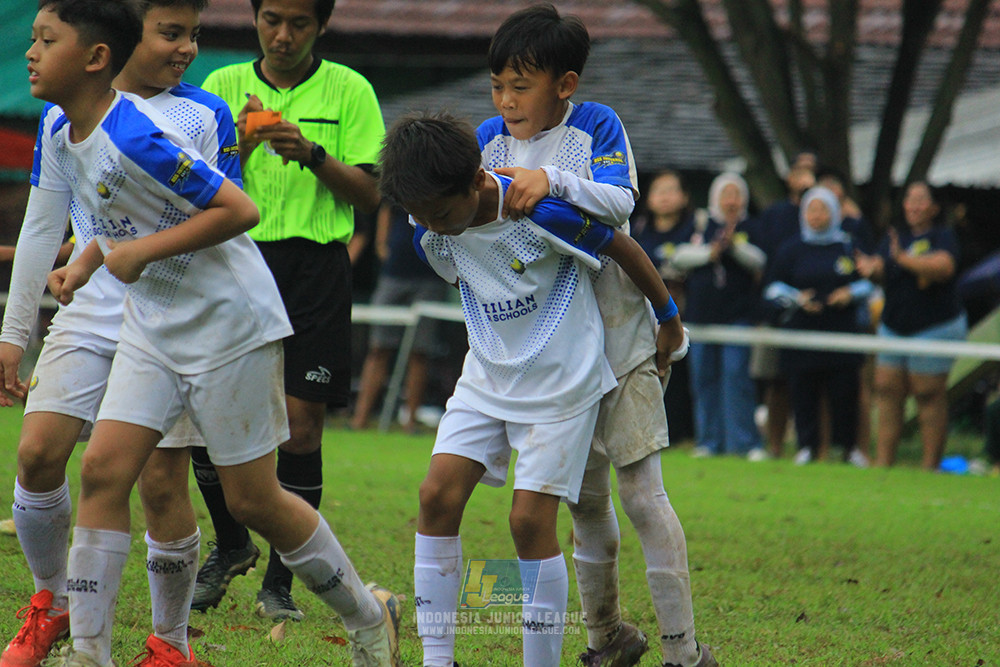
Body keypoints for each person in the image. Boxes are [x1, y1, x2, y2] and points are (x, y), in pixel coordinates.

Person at [20, 3, 400, 666]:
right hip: (154, 322)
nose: (30, 53)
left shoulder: (136, 133)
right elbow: (118, 213)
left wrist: (138, 255)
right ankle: (89, 652)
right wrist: (84, 262)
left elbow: (239, 208)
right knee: (104, 471)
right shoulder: (69, 128)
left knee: (255, 499)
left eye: (46, 40)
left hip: (228, 323)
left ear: (95, 57)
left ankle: (368, 616)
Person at [383, 109, 685, 667]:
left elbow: (622, 247)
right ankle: (437, 661)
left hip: (562, 384)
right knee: (435, 496)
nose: (433, 225)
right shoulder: (429, 215)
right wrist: (432, 218)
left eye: (442, 213)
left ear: (476, 180)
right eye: (420, 216)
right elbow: (444, 239)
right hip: (486, 374)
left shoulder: (541, 213)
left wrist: (667, 317)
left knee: (528, 521)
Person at [0, 1, 239, 664]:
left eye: (194, 33)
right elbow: (42, 228)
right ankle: (53, 603)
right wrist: (12, 335)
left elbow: (225, 219)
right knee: (38, 453)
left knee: (161, 479)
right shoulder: (62, 115)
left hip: (170, 314)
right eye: (171, 32)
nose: (187, 47)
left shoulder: (203, 114)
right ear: (118, 41)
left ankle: (171, 642)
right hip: (91, 306)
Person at [476, 7, 715, 667]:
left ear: (566, 83)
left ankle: (683, 651)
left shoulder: (597, 126)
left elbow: (619, 204)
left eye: (520, 85)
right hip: (550, 351)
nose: (505, 100)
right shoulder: (488, 141)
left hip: (618, 333)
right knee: (582, 496)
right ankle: (605, 636)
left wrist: (548, 180)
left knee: (640, 491)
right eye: (497, 84)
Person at [189, 0, 385, 621]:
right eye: (272, 18)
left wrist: (312, 154)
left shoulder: (351, 89)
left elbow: (376, 192)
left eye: (299, 22)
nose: (283, 34)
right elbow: (187, 184)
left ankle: (281, 582)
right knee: (203, 418)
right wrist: (239, 148)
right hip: (231, 258)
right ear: (253, 18)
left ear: (321, 25)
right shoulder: (219, 87)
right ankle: (230, 544)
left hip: (315, 268)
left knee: (301, 428)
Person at [856, 181, 967, 471]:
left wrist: (904, 259)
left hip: (935, 324)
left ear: (933, 208)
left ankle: (929, 467)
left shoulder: (943, 236)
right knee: (886, 389)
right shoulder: (894, 236)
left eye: (921, 200)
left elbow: (944, 267)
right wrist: (872, 270)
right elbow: (883, 271)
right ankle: (883, 464)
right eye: (909, 199)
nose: (914, 206)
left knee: (927, 391)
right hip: (894, 324)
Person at [763, 187, 874, 464]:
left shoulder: (848, 245)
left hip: (841, 332)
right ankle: (807, 447)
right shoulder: (791, 248)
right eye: (811, 209)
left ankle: (849, 448)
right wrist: (797, 299)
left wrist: (849, 294)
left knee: (845, 393)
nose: (816, 215)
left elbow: (870, 282)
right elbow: (772, 287)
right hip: (802, 333)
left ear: (834, 212)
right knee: (803, 392)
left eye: (823, 209)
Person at [673, 172, 766, 459]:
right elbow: (677, 255)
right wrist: (709, 253)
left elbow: (760, 260)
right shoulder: (700, 224)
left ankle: (744, 443)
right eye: (726, 194)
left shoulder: (751, 226)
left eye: (736, 194)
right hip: (701, 315)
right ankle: (709, 441)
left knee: (736, 376)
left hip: (737, 315)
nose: (731, 200)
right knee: (704, 378)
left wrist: (733, 246)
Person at [350, 202, 449, 432]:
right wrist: (382, 245)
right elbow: (386, 207)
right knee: (378, 347)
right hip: (393, 273)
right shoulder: (404, 174)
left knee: (420, 352)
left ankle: (410, 422)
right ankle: (359, 419)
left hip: (430, 276)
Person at [749, 164, 816, 459]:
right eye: (800, 172)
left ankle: (813, 447)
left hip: (818, 319)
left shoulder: (834, 220)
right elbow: (765, 271)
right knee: (775, 382)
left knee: (811, 385)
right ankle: (774, 446)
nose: (805, 180)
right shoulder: (775, 216)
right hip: (777, 314)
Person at [632, 170, 696, 443]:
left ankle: (683, 433)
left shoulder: (696, 229)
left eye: (671, 190)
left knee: (682, 377)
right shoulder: (635, 230)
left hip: (684, 314)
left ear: (684, 197)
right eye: (659, 190)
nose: (665, 197)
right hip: (640, 315)